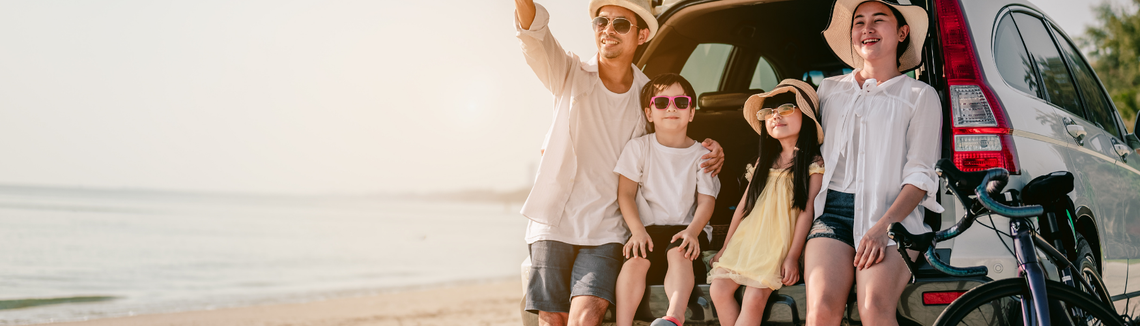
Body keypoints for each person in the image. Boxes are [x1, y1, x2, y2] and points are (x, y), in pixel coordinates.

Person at [512, 1, 725, 326]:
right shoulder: (567, 72)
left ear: (641, 36)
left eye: (620, 24)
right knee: (553, 318)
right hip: (554, 222)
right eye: (601, 21)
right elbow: (534, 35)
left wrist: (712, 148)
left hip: (609, 228)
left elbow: (670, 140)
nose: (608, 29)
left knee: (586, 318)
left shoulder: (647, 97)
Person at [802, 0, 943, 325]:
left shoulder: (919, 96)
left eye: (878, 20)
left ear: (902, 32)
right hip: (833, 214)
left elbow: (921, 177)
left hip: (892, 217)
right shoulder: (828, 91)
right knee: (821, 309)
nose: (867, 28)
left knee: (874, 306)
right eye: (859, 22)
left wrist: (883, 228)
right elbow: (798, 148)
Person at [707, 79, 825, 326]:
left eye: (785, 109)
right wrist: (725, 247)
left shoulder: (812, 162)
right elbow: (743, 206)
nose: (775, 117)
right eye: (768, 112)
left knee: (753, 298)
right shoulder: (764, 161)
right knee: (718, 289)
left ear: (805, 115)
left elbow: (807, 211)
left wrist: (793, 256)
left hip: (777, 245)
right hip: (748, 241)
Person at [612, 73, 720, 326]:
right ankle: (622, 323)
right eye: (661, 103)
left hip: (686, 230)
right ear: (649, 113)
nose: (671, 107)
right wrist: (637, 231)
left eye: (681, 102)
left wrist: (693, 232)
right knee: (635, 262)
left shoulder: (701, 154)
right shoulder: (638, 148)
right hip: (647, 230)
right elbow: (625, 194)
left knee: (679, 254)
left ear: (691, 112)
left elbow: (706, 201)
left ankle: (673, 317)